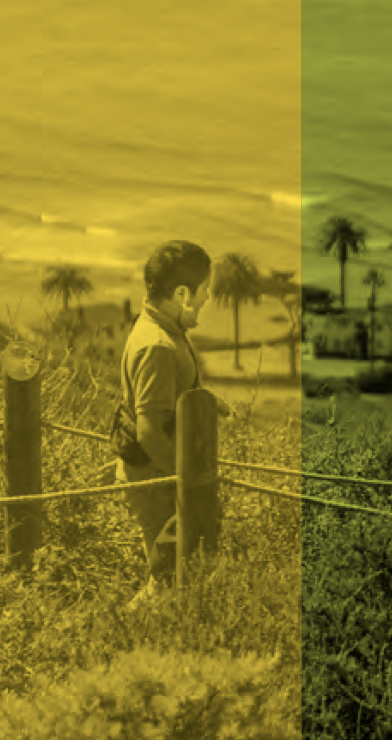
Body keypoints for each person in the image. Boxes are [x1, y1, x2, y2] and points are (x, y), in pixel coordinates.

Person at [110, 240, 230, 607]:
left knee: (181, 575)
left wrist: (207, 405)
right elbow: (148, 430)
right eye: (204, 290)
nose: (207, 298)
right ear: (182, 293)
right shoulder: (157, 346)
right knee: (166, 581)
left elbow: (169, 398)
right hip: (157, 480)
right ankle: (126, 636)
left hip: (162, 477)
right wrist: (189, 486)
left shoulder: (162, 329)